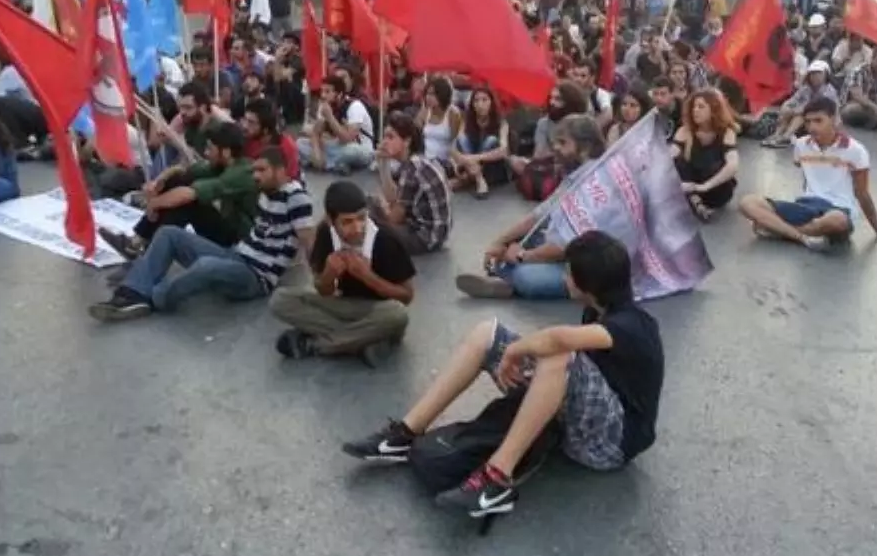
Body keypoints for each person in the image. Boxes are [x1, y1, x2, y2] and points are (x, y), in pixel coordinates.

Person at [343, 231, 663, 519]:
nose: (564, 276)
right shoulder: (597, 309)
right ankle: (405, 432)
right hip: (581, 419)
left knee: (558, 356)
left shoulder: (634, 325)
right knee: (487, 334)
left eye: (567, 271)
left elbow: (559, 341)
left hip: (610, 445)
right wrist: (513, 350)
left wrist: (516, 352)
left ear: (585, 285)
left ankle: (497, 480)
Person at [89, 147, 315, 321]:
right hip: (237, 256)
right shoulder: (267, 192)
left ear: (281, 171)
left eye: (262, 170)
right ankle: (133, 292)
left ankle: (156, 298)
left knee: (206, 265)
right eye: (254, 170)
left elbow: (308, 240)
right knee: (169, 233)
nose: (255, 176)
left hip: (256, 278)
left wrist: (323, 286)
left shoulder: (296, 197)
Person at [456, 115, 605, 300]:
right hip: (559, 245)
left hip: (584, 260)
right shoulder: (575, 173)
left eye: (562, 143)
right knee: (522, 236)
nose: (555, 148)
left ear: (585, 148)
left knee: (527, 277)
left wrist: (523, 256)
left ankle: (508, 281)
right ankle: (509, 278)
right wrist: (500, 241)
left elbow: (565, 246)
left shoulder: (596, 184)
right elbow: (540, 214)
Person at [738, 98, 877, 251]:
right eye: (808, 122)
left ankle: (780, 230)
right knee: (748, 202)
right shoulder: (801, 145)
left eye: (818, 121)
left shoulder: (856, 151)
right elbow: (806, 176)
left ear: (834, 120)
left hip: (837, 209)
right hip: (806, 205)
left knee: (837, 221)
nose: (812, 127)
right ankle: (802, 237)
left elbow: (862, 193)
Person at [270, 181, 414, 361]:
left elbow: (406, 297)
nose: (357, 228)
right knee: (280, 299)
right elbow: (323, 290)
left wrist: (368, 277)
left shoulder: (386, 239)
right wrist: (329, 275)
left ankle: (317, 345)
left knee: (397, 315)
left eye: (361, 218)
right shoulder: (325, 234)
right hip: (342, 305)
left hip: (378, 310)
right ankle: (362, 341)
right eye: (347, 222)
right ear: (331, 220)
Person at [100, 120, 258, 260]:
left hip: (240, 240)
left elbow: (189, 194)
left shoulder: (241, 173)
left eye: (210, 148)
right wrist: (158, 182)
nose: (206, 153)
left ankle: (148, 250)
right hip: (227, 227)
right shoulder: (222, 164)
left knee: (187, 203)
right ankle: (138, 243)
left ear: (226, 152)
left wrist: (155, 204)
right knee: (177, 181)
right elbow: (182, 170)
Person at [371, 112, 452, 255]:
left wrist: (382, 209)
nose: (384, 142)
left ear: (407, 141)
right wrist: (383, 164)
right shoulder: (417, 161)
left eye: (390, 137)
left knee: (365, 212)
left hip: (424, 237)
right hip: (433, 232)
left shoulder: (413, 167)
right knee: (369, 207)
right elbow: (394, 199)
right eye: (384, 137)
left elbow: (394, 218)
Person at [672, 89, 740, 220]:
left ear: (713, 110)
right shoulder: (685, 131)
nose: (695, 110)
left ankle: (695, 201)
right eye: (693, 107)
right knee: (678, 162)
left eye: (701, 107)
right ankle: (696, 202)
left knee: (716, 165)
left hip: (715, 188)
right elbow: (670, 156)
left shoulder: (727, 132)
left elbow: (733, 165)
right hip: (689, 185)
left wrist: (703, 187)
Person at [297, 73, 374, 174]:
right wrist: (317, 153)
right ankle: (335, 164)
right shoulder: (325, 106)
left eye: (327, 92)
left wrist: (330, 117)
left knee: (350, 151)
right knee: (300, 143)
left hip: (359, 148)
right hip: (337, 147)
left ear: (339, 94)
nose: (323, 95)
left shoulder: (355, 106)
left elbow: (347, 139)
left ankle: (328, 164)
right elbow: (315, 134)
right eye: (322, 91)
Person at [508, 80, 588, 178]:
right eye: (551, 98)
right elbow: (539, 155)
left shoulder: (583, 123)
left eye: (558, 99)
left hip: (580, 172)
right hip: (549, 168)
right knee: (514, 161)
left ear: (570, 102)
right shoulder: (544, 123)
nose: (552, 102)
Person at [761, 61, 840, 148]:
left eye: (818, 73)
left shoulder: (828, 91)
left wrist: (794, 111)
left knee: (801, 115)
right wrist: (786, 106)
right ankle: (777, 134)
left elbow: (815, 110)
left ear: (826, 75)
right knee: (790, 110)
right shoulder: (806, 88)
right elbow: (793, 100)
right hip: (808, 122)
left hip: (823, 122)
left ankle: (786, 137)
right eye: (812, 74)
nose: (815, 76)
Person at [451, 86, 510, 197]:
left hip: (493, 168)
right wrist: (458, 161)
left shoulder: (501, 123)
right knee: (462, 139)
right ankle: (479, 179)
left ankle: (469, 178)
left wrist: (474, 158)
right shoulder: (467, 121)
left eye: (484, 100)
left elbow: (504, 151)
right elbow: (454, 147)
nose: (480, 104)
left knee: (491, 140)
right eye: (476, 100)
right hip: (472, 164)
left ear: (491, 103)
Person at [240, 97, 301, 180]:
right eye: (245, 119)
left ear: (266, 130)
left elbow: (289, 179)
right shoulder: (245, 138)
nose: (245, 126)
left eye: (251, 122)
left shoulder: (286, 147)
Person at [414, 76, 462, 176]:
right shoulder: (425, 112)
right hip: (426, 158)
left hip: (446, 161)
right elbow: (414, 133)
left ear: (442, 95)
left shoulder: (453, 113)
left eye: (432, 94)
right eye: (427, 93)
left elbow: (456, 141)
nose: (428, 97)